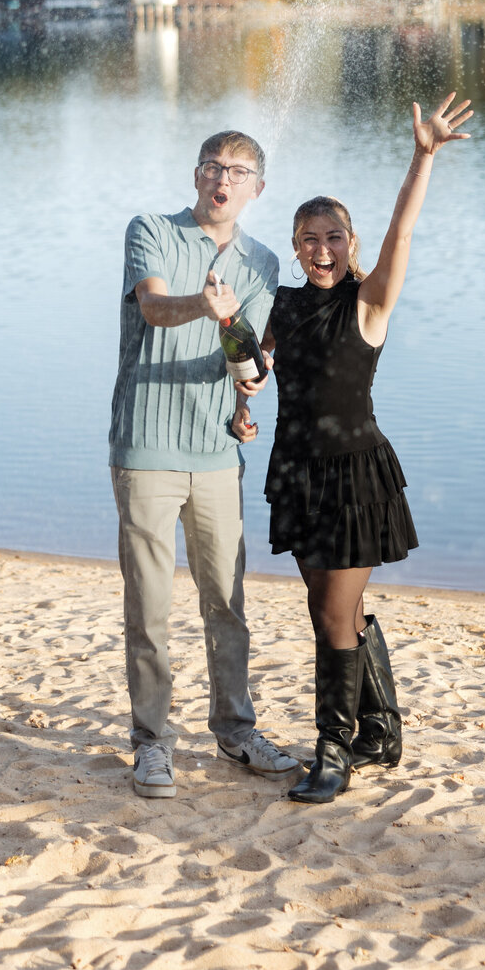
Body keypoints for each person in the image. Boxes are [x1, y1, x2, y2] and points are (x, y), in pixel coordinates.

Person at [241, 93, 473, 805]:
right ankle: (382, 731)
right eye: (308, 238)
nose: (320, 248)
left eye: (333, 237)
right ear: (295, 243)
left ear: (350, 243)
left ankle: (333, 751)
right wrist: (237, 386)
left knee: (333, 616)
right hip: (298, 474)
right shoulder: (280, 304)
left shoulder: (367, 301)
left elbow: (404, 228)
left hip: (354, 476)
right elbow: (252, 366)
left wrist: (422, 156)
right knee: (330, 609)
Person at [110, 128, 302, 798]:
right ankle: (153, 744)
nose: (225, 178)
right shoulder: (153, 231)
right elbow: (157, 308)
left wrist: (254, 380)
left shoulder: (263, 262)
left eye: (240, 170)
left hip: (218, 453)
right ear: (196, 175)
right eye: (215, 166)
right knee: (151, 606)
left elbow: (245, 348)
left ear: (257, 189)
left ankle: (235, 730)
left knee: (227, 602)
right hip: (146, 449)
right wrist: (204, 303)